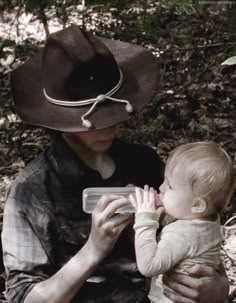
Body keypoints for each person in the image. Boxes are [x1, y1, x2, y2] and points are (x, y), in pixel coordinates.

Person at [1, 24, 229, 303]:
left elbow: (196, 233)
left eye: (114, 117)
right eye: (95, 123)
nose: (110, 129)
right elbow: (24, 297)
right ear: (60, 122)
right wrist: (93, 250)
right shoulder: (32, 191)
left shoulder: (142, 161)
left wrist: (217, 288)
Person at [130, 141, 235, 303]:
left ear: (197, 205)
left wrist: (145, 219)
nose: (161, 187)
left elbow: (148, 266)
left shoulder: (181, 235)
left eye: (170, 186)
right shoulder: (209, 219)